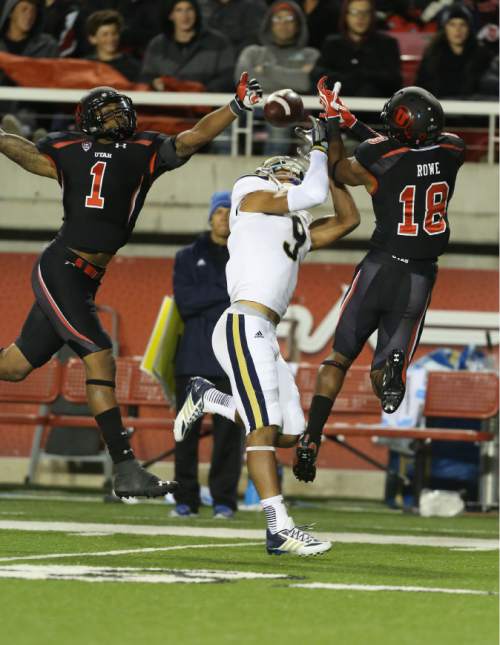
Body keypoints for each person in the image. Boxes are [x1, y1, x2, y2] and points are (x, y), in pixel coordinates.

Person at [0, 74, 263, 499]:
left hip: (85, 278)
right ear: (87, 119)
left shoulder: (143, 148)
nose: (115, 114)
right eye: (104, 110)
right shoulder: (67, 147)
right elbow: (24, 152)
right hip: (62, 265)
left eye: (118, 107)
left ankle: (125, 470)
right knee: (100, 356)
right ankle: (124, 467)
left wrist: (234, 107)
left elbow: (192, 138)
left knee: (13, 366)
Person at [175, 106, 360, 555]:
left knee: (289, 433)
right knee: (263, 428)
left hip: (264, 331)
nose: (290, 172)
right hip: (243, 322)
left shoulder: (293, 221)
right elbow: (313, 190)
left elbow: (349, 220)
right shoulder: (249, 193)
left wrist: (332, 165)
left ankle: (210, 398)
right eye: (284, 168)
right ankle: (278, 527)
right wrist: (318, 147)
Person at [292, 80, 466, 484]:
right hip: (419, 275)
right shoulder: (453, 149)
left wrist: (334, 125)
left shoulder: (378, 155)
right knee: (384, 370)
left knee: (337, 358)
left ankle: (312, 435)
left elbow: (342, 170)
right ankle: (390, 371)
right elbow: (405, 149)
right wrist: (353, 121)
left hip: (380, 266)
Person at [171, 191, 243, 519]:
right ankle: (185, 499)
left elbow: (246, 301)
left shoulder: (247, 255)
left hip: (232, 362)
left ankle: (224, 502)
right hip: (192, 361)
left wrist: (212, 296)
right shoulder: (187, 256)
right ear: (211, 216)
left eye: (230, 212)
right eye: (220, 211)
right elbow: (186, 303)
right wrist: (226, 293)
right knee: (186, 433)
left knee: (229, 438)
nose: (225, 217)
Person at [310, 0, 401, 97]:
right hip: (338, 106)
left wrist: (359, 76)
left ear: (372, 16)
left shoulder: (387, 44)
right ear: (346, 16)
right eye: (354, 12)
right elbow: (319, 75)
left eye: (365, 12)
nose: (360, 17)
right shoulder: (332, 44)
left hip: (375, 107)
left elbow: (394, 80)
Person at [141, 0, 235, 92]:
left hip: (205, 103)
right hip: (165, 104)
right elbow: (146, 78)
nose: (185, 16)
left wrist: (201, 91)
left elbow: (227, 79)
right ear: (171, 15)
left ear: (196, 13)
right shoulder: (157, 45)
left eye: (189, 9)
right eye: (179, 10)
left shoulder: (218, 42)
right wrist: (154, 84)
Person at [416, 3, 492, 99]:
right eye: (452, 24)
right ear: (444, 28)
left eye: (462, 25)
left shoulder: (482, 55)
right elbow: (421, 89)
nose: (458, 30)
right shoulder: (432, 55)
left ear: (469, 28)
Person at [85, 9, 141, 82]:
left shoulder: (133, 66)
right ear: (92, 39)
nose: (111, 39)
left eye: (114, 33)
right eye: (105, 34)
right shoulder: (85, 66)